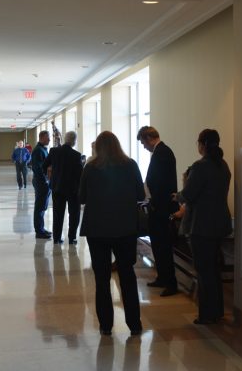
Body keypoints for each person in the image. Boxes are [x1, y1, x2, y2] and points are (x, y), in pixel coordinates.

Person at [79, 131, 145, 336]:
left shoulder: (90, 167)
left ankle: (105, 325)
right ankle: (134, 324)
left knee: (102, 277)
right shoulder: (131, 164)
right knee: (127, 274)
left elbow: (81, 197)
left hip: (97, 229)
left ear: (98, 147)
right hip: (125, 227)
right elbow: (140, 194)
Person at [174, 129, 232, 325]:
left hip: (201, 224)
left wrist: (179, 194)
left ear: (203, 145)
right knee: (214, 269)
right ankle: (217, 311)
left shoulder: (200, 167)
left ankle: (206, 314)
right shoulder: (222, 165)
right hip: (220, 223)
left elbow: (189, 195)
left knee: (203, 269)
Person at [137, 126, 179, 296]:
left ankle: (170, 282)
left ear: (149, 138)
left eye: (143, 142)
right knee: (158, 244)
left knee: (163, 246)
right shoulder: (161, 152)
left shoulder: (162, 153)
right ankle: (162, 277)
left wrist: (152, 201)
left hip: (161, 208)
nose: (143, 146)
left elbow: (160, 182)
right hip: (158, 206)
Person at [43, 131, 83, 244]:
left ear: (65, 139)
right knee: (74, 214)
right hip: (72, 189)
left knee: (58, 214)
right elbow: (80, 174)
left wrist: (51, 177)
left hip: (57, 187)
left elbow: (44, 165)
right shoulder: (76, 155)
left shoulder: (54, 151)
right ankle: (72, 238)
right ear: (74, 141)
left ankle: (56, 238)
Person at [32, 130, 53, 239]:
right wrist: (45, 180)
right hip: (41, 182)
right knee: (40, 207)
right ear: (41, 138)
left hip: (45, 182)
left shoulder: (43, 149)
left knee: (42, 206)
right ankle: (39, 231)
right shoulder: (38, 151)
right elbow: (38, 168)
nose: (49, 139)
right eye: (47, 137)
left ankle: (41, 228)